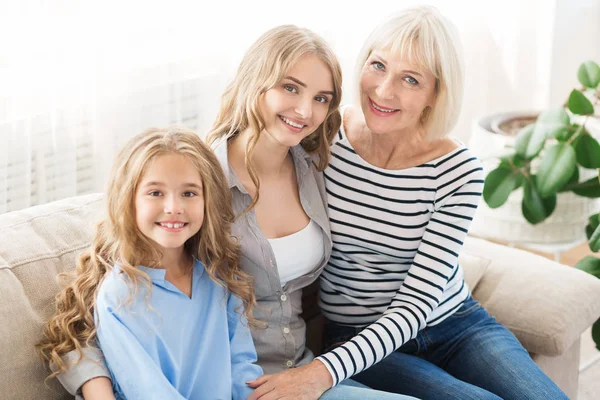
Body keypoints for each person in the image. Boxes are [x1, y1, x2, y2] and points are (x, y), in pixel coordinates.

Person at [42, 26, 417, 400]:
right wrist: (97, 390)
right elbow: (97, 310)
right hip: (241, 386)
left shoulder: (316, 166)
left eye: (321, 98)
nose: (305, 110)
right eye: (290, 87)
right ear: (257, 84)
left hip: (304, 372)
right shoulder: (197, 182)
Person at [247, 6, 570, 400]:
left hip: (455, 324)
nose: (384, 90)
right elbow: (256, 134)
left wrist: (318, 374)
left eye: (411, 79)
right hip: (357, 339)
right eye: (378, 65)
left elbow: (416, 304)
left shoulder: (459, 171)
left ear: (437, 93)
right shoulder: (327, 137)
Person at [38, 128, 263, 399]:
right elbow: (146, 389)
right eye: (156, 193)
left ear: (208, 201)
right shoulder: (121, 294)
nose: (173, 207)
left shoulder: (219, 276)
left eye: (189, 193)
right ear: (128, 201)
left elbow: (242, 368)